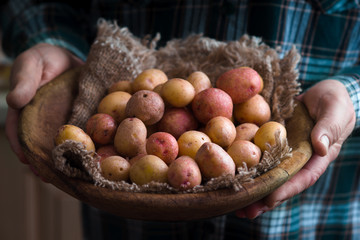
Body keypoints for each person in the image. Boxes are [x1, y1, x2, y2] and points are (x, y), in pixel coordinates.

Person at [2, 0, 359, 239]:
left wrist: (352, 93)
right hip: (124, 218)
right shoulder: (141, 115)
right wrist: (47, 37)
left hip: (310, 218)